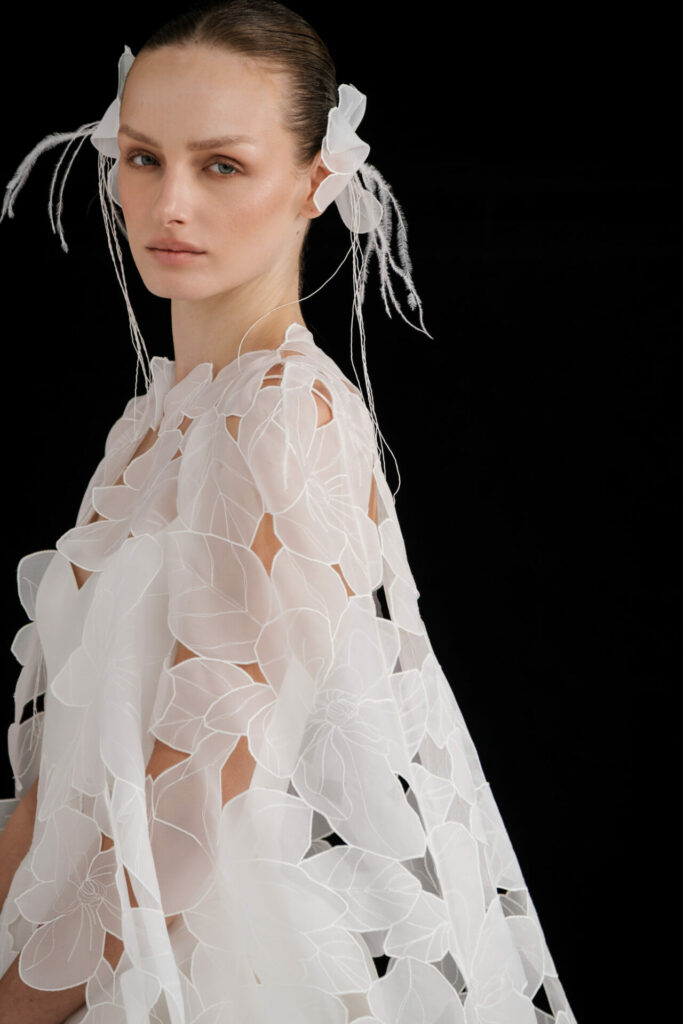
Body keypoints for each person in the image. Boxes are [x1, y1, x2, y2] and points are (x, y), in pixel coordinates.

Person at [0, 2, 578, 1022]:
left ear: (318, 181)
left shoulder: (282, 412)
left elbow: (192, 803)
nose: (169, 203)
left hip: (211, 965)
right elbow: (83, 769)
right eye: (142, 158)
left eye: (221, 165)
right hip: (106, 939)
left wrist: (17, 1000)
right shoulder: (166, 414)